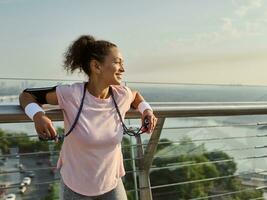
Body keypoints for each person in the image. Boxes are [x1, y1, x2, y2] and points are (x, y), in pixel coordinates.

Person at [19, 35, 157, 200]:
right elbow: (27, 96)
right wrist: (38, 115)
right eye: (117, 62)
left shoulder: (121, 95)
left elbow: (135, 96)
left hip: (112, 185)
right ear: (96, 66)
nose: (122, 69)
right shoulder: (71, 94)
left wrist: (146, 110)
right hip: (75, 188)